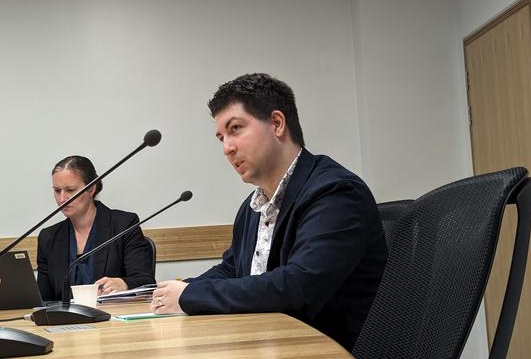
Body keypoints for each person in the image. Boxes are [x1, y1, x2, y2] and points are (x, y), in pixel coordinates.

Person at [150, 73, 387, 350]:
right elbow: (233, 269)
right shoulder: (253, 206)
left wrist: (192, 295)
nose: (227, 148)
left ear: (276, 123)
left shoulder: (335, 192)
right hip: (270, 344)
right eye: (221, 137)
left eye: (235, 128)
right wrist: (174, 292)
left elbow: (298, 286)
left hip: (322, 350)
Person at [37, 155, 155, 301]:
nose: (62, 199)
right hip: (64, 321)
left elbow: (146, 282)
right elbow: (43, 299)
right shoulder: (48, 237)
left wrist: (123, 284)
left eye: (70, 190)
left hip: (112, 319)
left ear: (91, 188)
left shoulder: (124, 225)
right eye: (57, 190)